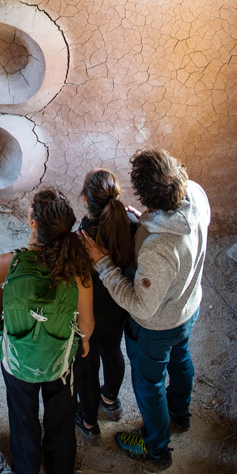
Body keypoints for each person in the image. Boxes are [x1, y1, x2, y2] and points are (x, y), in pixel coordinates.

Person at [83, 148, 209, 468]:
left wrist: (104, 265)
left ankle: (156, 446)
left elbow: (141, 305)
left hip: (158, 326)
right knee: (181, 359)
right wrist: (146, 222)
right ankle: (180, 415)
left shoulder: (157, 250)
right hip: (187, 306)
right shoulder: (195, 193)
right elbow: (173, 229)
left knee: (148, 383)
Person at [0, 189, 95, 474]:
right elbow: (86, 325)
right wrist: (82, 345)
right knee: (61, 420)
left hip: (17, 363)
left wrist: (5, 343)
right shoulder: (78, 271)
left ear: (33, 224)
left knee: (23, 418)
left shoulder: (5, 264)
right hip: (60, 363)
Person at [72, 168, 140, 440]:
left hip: (90, 313)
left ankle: (88, 423)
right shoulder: (132, 222)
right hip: (119, 306)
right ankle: (110, 400)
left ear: (86, 201)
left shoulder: (83, 238)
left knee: (87, 365)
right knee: (112, 351)